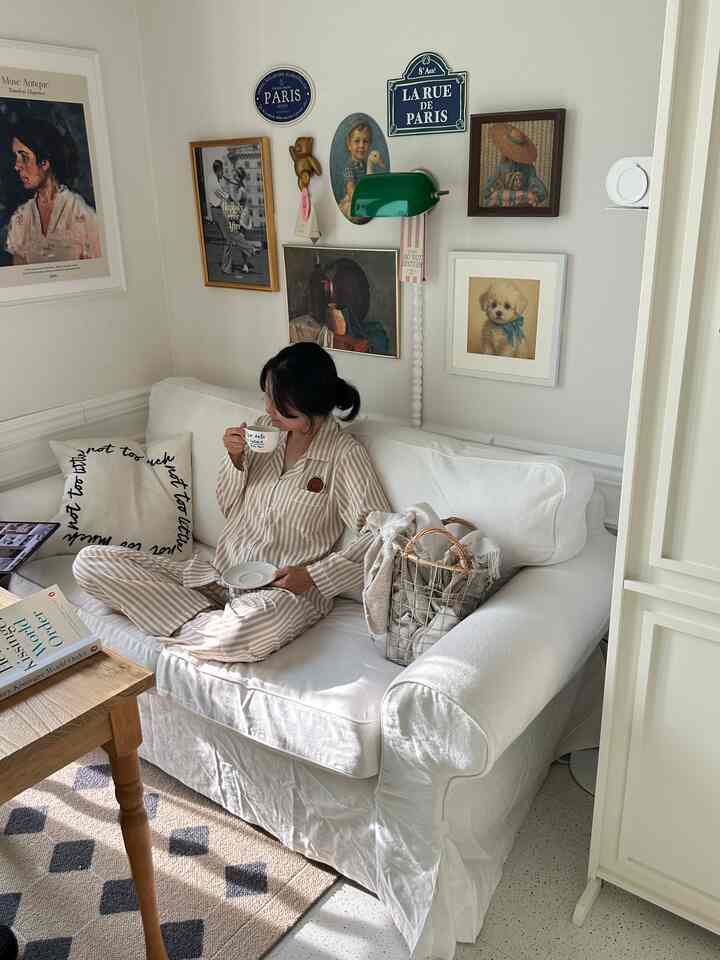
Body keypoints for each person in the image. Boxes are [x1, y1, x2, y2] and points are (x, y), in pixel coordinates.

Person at [73, 343, 391, 662]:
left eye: (281, 408)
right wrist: (235, 459)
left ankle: (196, 625)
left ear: (310, 408)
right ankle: (207, 625)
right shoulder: (263, 431)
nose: (269, 410)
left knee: (242, 631)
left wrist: (315, 575)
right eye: (268, 397)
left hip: (283, 594)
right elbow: (228, 506)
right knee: (89, 562)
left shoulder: (344, 456)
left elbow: (382, 536)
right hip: (218, 577)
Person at [6, 116, 101, 265]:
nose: (16, 166)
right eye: (16, 157)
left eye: (24, 158)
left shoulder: (81, 213)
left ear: (44, 163)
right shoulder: (21, 218)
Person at [482, 122, 548, 208]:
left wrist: (526, 196)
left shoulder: (528, 168)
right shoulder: (502, 167)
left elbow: (542, 193)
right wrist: (521, 194)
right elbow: (486, 192)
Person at [338, 119, 372, 221]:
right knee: (356, 213)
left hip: (364, 198)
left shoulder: (367, 165)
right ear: (349, 145)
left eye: (365, 141)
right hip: (352, 199)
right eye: (357, 141)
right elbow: (350, 187)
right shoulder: (349, 167)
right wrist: (359, 202)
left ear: (369, 144)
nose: (361, 145)